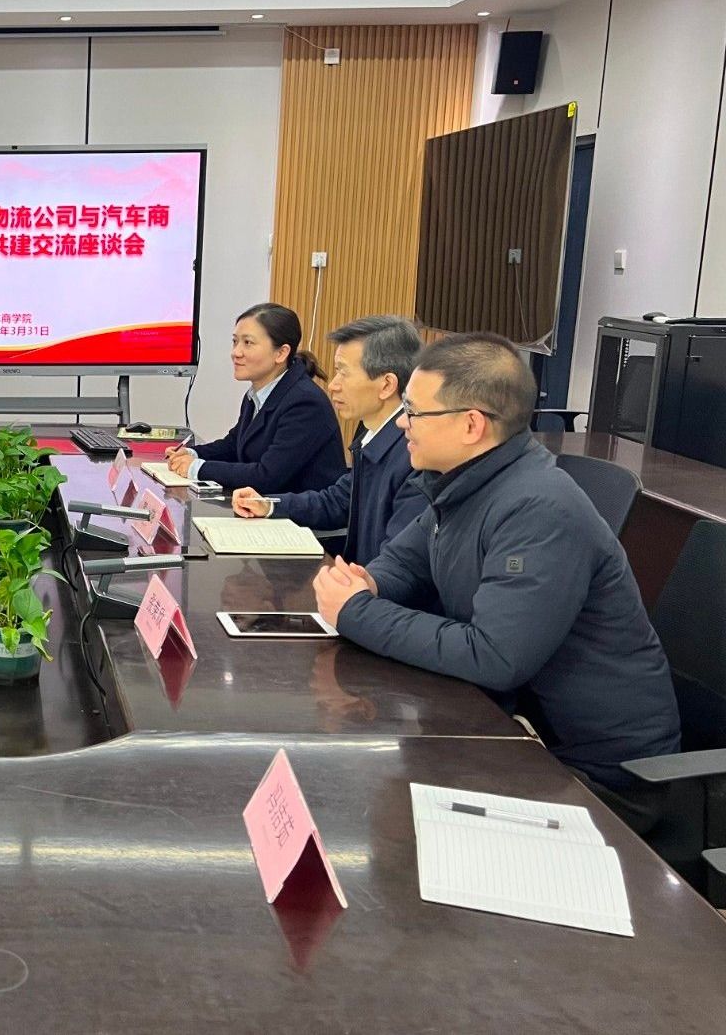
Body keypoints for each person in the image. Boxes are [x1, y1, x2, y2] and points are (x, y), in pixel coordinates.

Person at [313, 333, 680, 827]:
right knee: (358, 790)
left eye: (415, 412)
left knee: (370, 814)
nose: (402, 423)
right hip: (511, 727)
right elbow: (403, 563)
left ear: (471, 424)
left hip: (597, 776)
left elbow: (495, 655)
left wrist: (357, 611)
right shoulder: (461, 482)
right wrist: (367, 584)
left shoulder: (538, 509)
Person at [230, 315, 425, 564]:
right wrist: (269, 505)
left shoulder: (414, 454)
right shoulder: (372, 434)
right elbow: (337, 501)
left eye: (344, 373)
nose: (333, 385)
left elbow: (400, 562)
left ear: (386, 385)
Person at [167, 302, 345, 493]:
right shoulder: (257, 394)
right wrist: (192, 453)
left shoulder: (305, 403)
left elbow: (267, 476)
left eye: (248, 343)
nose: (236, 353)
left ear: (281, 353)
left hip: (296, 510)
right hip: (259, 504)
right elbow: (234, 445)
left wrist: (197, 468)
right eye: (235, 342)